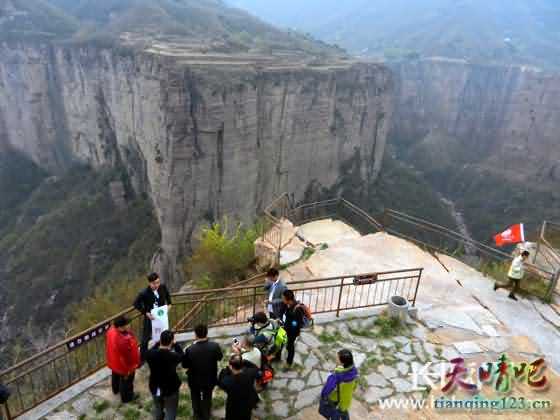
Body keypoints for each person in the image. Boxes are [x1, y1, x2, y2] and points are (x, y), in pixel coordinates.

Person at [182, 324, 223, 420]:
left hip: (194, 380)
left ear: (195, 335)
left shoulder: (190, 349)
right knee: (207, 397)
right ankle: (206, 415)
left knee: (195, 397)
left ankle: (197, 415)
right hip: (210, 378)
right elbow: (220, 358)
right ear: (206, 333)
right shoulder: (214, 346)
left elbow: (185, 365)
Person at [134, 272, 172, 361]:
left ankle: (163, 353)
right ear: (149, 283)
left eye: (158, 282)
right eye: (154, 283)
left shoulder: (163, 287)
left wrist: (168, 307)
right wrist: (146, 313)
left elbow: (169, 300)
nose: (157, 285)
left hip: (161, 317)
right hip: (150, 318)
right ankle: (142, 359)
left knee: (163, 335)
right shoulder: (144, 293)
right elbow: (136, 304)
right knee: (145, 339)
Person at [146, 330, 184, 420]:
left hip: (155, 386)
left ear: (160, 340)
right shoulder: (173, 356)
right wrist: (176, 345)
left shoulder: (150, 354)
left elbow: (150, 350)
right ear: (171, 341)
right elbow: (182, 355)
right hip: (170, 388)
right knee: (171, 411)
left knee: (158, 407)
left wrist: (156, 344)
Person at [105, 316, 140, 403]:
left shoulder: (111, 330)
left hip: (113, 360)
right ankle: (127, 397)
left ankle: (116, 390)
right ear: (121, 327)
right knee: (126, 381)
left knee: (115, 375)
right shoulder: (123, 340)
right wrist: (128, 369)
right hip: (123, 365)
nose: (129, 325)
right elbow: (127, 357)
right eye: (127, 324)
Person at [320, 349, 359, 420]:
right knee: (344, 412)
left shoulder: (336, 376)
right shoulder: (354, 371)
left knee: (335, 415)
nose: (336, 359)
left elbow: (326, 390)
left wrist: (323, 397)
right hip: (346, 400)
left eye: (337, 358)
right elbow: (354, 386)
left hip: (336, 401)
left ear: (343, 362)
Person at [218, 354, 259, 420]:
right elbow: (255, 368)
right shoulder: (250, 373)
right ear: (242, 364)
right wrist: (245, 361)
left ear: (231, 366)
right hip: (247, 402)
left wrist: (226, 370)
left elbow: (220, 382)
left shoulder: (228, 380)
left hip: (233, 405)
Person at [282, 289, 304, 368]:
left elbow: (297, 323)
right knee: (288, 345)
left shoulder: (297, 309)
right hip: (287, 329)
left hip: (292, 332)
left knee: (291, 346)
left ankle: (289, 362)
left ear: (288, 299)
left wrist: (291, 331)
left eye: (283, 298)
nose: (282, 299)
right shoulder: (289, 305)